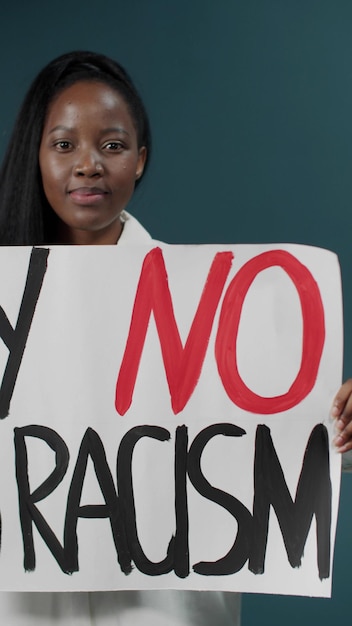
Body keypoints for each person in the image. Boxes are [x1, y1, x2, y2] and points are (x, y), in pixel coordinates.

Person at [0, 50, 351, 625]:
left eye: (111, 145)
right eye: (63, 144)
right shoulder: (6, 310)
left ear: (139, 160)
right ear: (36, 158)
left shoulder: (211, 308)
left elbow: (268, 445)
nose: (87, 165)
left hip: (161, 609)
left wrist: (337, 423)